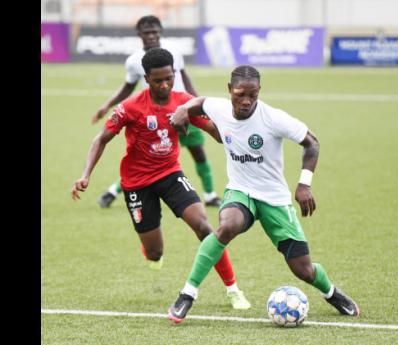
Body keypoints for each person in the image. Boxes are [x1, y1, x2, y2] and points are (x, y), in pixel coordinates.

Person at [167, 65, 360, 324]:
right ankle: (187, 295)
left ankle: (332, 293)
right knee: (228, 225)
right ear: (229, 91)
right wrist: (182, 110)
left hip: (274, 199)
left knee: (303, 269)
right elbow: (200, 102)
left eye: (253, 95)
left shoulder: (274, 118)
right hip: (240, 190)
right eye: (239, 95)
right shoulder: (219, 107)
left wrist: (304, 184)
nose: (246, 101)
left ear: (259, 92)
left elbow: (312, 142)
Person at [71, 48, 251, 310]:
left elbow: (215, 130)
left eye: (169, 78)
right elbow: (101, 139)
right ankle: (150, 251)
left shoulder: (184, 102)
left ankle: (233, 289)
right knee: (155, 253)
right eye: (158, 80)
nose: (165, 84)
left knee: (204, 227)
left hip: (170, 174)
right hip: (136, 183)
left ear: (174, 74)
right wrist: (85, 174)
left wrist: (240, 141)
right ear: (146, 78)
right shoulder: (130, 108)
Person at [92, 15, 221, 209]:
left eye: (154, 31)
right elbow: (128, 87)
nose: (151, 36)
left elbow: (185, 78)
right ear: (139, 34)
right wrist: (107, 105)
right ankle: (112, 191)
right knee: (150, 159)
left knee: (198, 153)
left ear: (160, 31)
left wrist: (200, 104)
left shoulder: (174, 52)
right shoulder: (134, 61)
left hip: (185, 110)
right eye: (146, 33)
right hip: (157, 115)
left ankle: (210, 195)